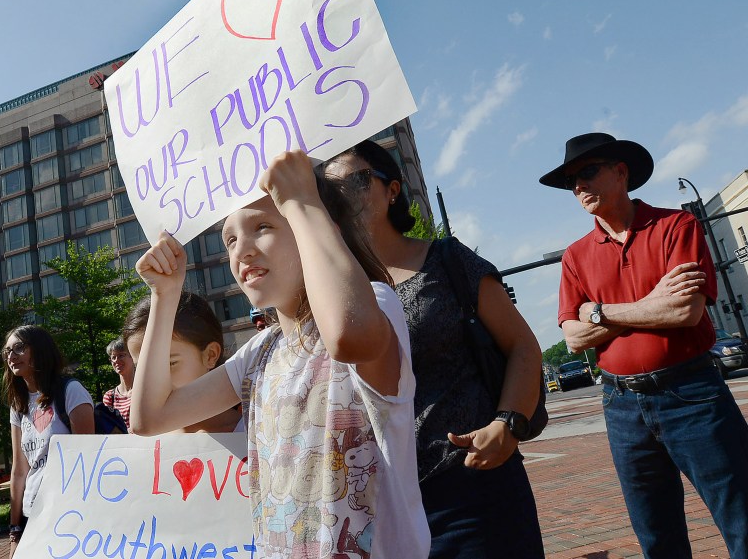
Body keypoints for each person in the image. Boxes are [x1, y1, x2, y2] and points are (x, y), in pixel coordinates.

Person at [130, 150, 430, 559]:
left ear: (319, 225)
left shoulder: (374, 304)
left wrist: (302, 198)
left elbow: (349, 336)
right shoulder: (259, 352)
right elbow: (150, 418)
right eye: (231, 239)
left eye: (264, 226)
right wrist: (164, 295)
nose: (242, 251)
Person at [322, 140, 545, 558]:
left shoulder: (445, 260)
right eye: (329, 189)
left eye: (356, 180)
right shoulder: (329, 292)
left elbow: (523, 347)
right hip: (377, 501)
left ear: (392, 190)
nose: (343, 195)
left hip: (468, 484)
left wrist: (509, 424)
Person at [540, 132, 748, 558]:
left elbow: (684, 313)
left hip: (692, 393)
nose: (578, 185)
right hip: (621, 405)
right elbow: (574, 337)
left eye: (587, 172)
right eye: (571, 180)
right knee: (656, 535)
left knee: (741, 518)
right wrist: (650, 303)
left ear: (621, 172)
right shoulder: (575, 257)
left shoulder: (677, 226)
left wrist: (597, 311)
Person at [3, 325, 94, 557]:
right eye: (7, 351)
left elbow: (89, 461)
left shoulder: (71, 391)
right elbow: (19, 471)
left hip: (69, 514)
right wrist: (15, 532)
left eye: (19, 348)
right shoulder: (18, 405)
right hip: (32, 514)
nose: (11, 356)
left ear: (40, 349)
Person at [122, 292, 243, 433]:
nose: (152, 383)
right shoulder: (139, 444)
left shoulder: (254, 434)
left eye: (169, 364)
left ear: (210, 355)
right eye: (141, 369)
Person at [103, 337, 135, 432]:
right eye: (113, 357)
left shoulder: (145, 390)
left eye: (121, 355)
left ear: (132, 357)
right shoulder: (109, 396)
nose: (116, 360)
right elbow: (108, 427)